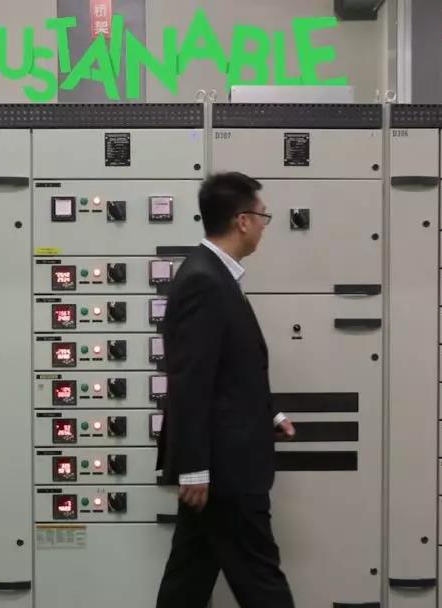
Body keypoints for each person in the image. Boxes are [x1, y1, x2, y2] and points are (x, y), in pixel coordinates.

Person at [155, 171, 296, 608]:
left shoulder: (216, 274)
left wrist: (269, 412)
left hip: (222, 461)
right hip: (224, 469)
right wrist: (196, 468)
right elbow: (190, 380)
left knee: (188, 578)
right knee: (261, 578)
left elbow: (231, 368)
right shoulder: (205, 280)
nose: (264, 227)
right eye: (263, 217)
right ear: (242, 220)